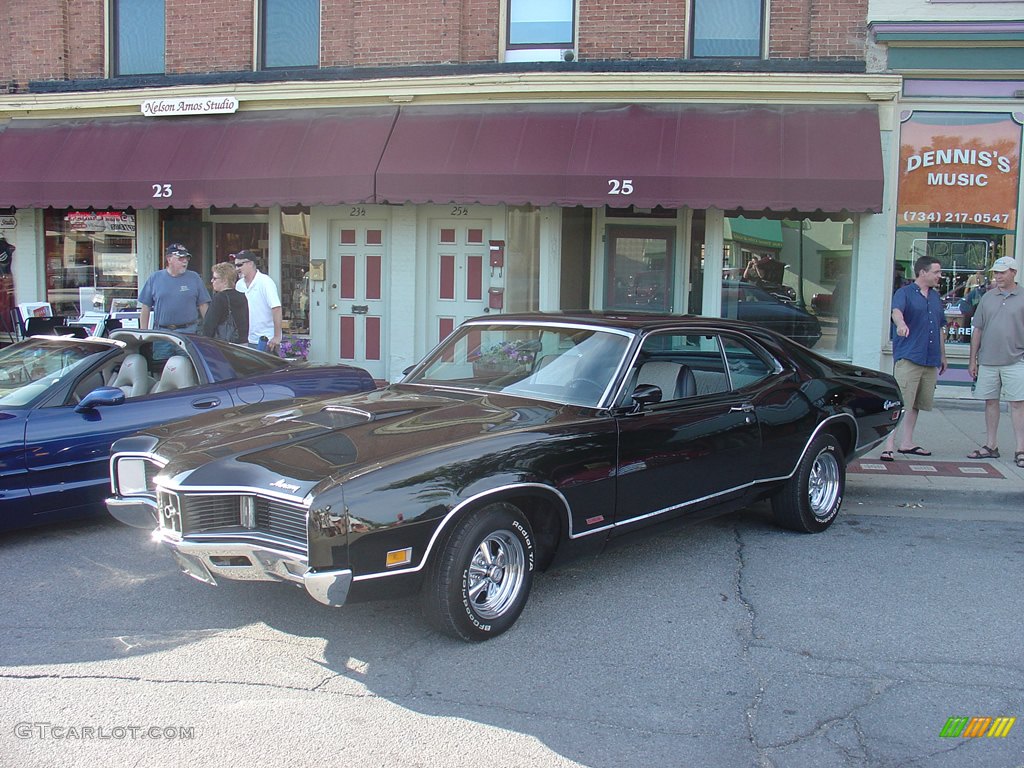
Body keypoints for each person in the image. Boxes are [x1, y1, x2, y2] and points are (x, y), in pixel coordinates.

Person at [880, 255, 947, 462]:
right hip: (910, 356)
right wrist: (900, 324)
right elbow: (896, 312)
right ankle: (888, 445)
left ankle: (907, 443)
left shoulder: (935, 297)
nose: (940, 276)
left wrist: (943, 356)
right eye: (936, 272)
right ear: (922, 272)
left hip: (930, 359)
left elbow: (940, 327)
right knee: (900, 402)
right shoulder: (905, 293)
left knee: (916, 403)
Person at [966, 256, 1024, 467]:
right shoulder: (988, 297)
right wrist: (973, 359)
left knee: (1018, 404)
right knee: (991, 402)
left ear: (1013, 273)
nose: (997, 276)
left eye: (1002, 272)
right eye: (995, 273)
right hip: (988, 359)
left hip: (1016, 359)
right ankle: (991, 445)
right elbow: (977, 330)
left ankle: (1021, 449)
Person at [138, 243, 210, 333]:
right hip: (162, 334)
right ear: (169, 259)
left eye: (187, 258)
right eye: (181, 258)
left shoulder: (194, 277)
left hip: (189, 333)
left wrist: (209, 332)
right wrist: (143, 333)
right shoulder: (155, 278)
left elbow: (203, 305)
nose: (185, 261)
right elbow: (146, 306)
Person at [233, 249, 282, 353]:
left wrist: (277, 336)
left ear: (250, 264)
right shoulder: (239, 284)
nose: (237, 268)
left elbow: (276, 308)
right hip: (245, 340)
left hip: (265, 340)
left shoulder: (265, 282)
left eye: (240, 265)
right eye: (235, 265)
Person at [202, 261, 249, 344]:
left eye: (215, 278)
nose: (212, 281)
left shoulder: (219, 298)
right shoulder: (242, 297)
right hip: (242, 344)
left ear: (224, 281)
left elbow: (208, 326)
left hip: (223, 346)